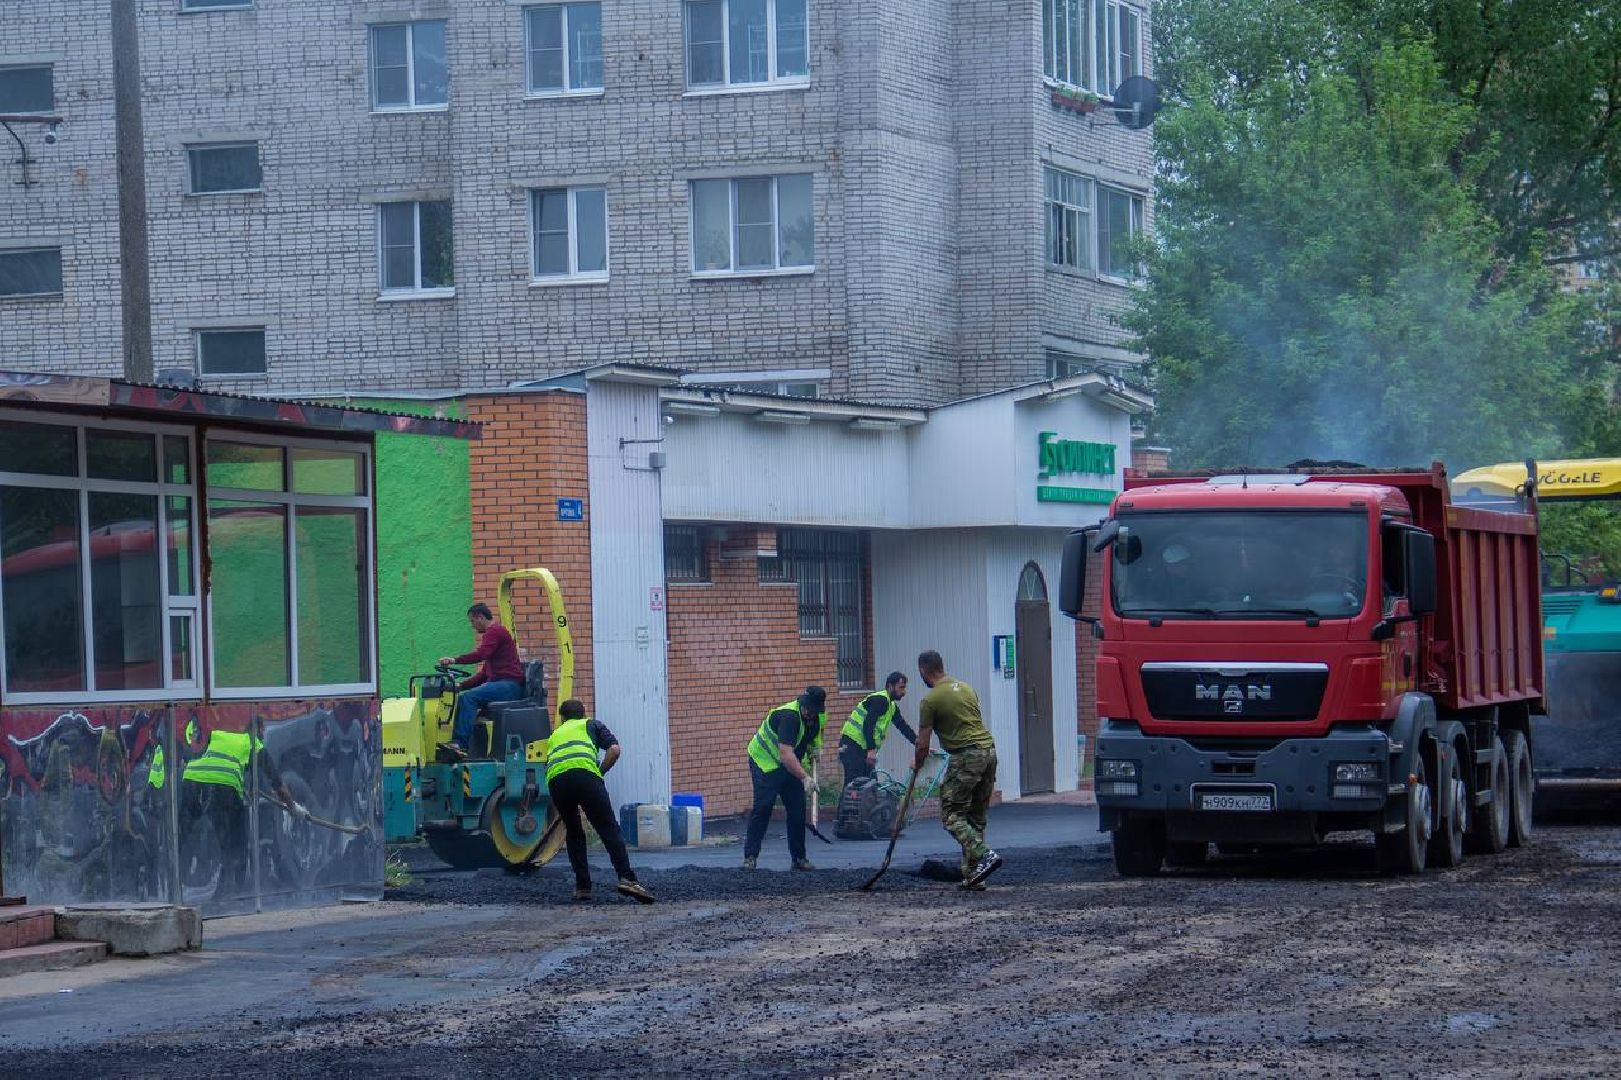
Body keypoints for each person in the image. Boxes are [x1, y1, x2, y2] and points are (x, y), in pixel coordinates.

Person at [545, 699, 654, 904]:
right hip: (586, 777)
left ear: (562, 717)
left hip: (556, 782)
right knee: (608, 828)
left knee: (574, 832)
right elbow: (614, 750)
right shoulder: (591, 724)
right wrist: (600, 772)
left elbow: (550, 764)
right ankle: (627, 879)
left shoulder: (554, 735)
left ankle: (583, 887)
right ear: (583, 714)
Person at [180, 722, 305, 899]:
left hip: (192, 778)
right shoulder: (255, 744)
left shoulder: (221, 735)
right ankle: (235, 892)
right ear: (259, 730)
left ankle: (184, 886)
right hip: (223, 785)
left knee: (195, 835)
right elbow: (277, 782)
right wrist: (293, 807)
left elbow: (213, 761)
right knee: (240, 839)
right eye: (263, 731)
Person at [914, 650, 1002, 889]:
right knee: (975, 815)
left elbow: (922, 742)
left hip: (966, 756)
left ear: (923, 670)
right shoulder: (965, 688)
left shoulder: (930, 700)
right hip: (989, 752)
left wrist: (918, 762)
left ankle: (984, 854)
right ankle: (974, 875)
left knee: (951, 814)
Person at [742, 686, 826, 871]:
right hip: (765, 762)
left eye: (813, 710)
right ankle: (750, 857)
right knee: (763, 807)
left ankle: (799, 859)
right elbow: (785, 754)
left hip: (789, 765)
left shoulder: (817, 717)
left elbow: (814, 736)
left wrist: (816, 748)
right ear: (802, 704)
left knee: (797, 808)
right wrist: (805, 778)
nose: (809, 713)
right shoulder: (789, 717)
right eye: (806, 708)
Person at [436, 602, 525, 759]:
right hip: (500, 684)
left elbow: (480, 654)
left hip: (509, 685)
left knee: (469, 698)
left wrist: (453, 660)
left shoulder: (494, 631)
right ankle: (469, 748)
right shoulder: (494, 641)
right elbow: (483, 676)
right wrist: (460, 685)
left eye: (472, 621)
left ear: (480, 617)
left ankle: (459, 744)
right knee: (467, 700)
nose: (472, 626)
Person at [839, 672, 917, 784]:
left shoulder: (891, 706)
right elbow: (868, 724)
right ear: (890, 686)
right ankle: (846, 802)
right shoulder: (881, 700)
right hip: (852, 744)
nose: (904, 692)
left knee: (870, 787)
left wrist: (920, 744)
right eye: (901, 687)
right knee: (853, 786)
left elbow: (904, 728)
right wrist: (871, 750)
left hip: (862, 747)